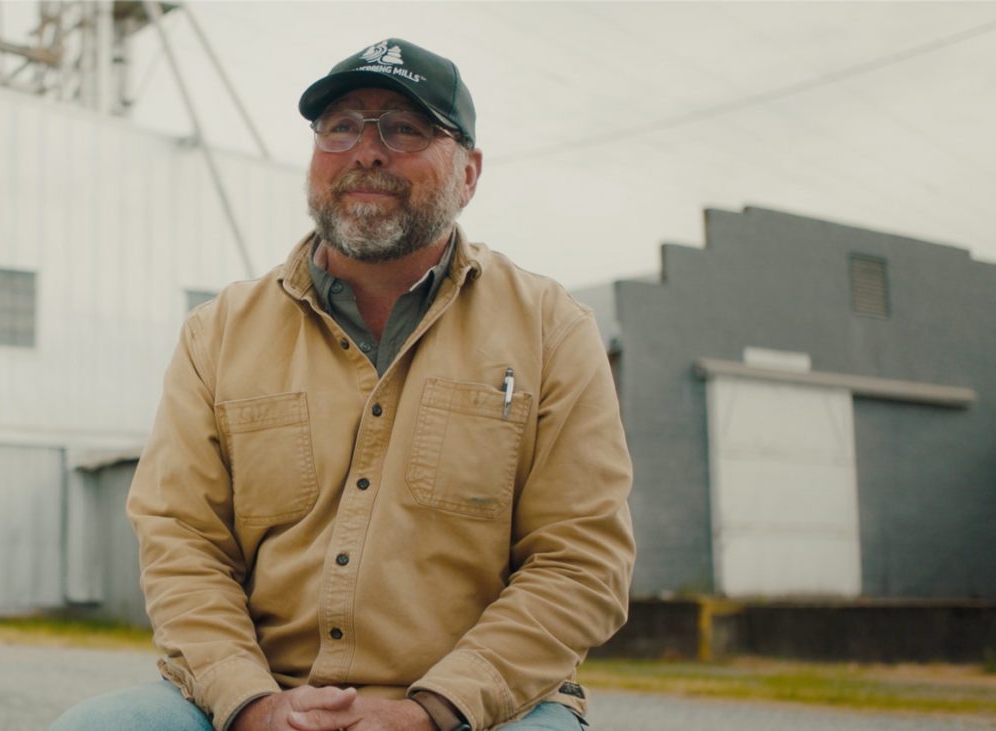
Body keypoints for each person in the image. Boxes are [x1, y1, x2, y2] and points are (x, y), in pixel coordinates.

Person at [51, 38, 634, 731]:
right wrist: (252, 703)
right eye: (341, 126)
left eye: (404, 127)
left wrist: (433, 709)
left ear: (470, 173)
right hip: (259, 699)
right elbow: (183, 542)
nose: (366, 151)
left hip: (486, 711)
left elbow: (582, 560)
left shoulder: (551, 330)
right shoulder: (219, 333)